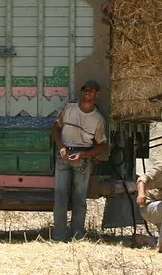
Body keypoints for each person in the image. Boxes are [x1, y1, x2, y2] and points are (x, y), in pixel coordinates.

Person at [50, 79, 108, 241]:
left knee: (79, 198)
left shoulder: (98, 119)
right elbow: (56, 128)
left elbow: (102, 145)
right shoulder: (69, 109)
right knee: (60, 196)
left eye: (91, 90)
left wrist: (83, 155)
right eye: (85, 89)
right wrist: (61, 147)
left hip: (82, 160)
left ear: (97, 94)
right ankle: (59, 236)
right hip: (64, 155)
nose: (87, 92)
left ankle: (78, 236)